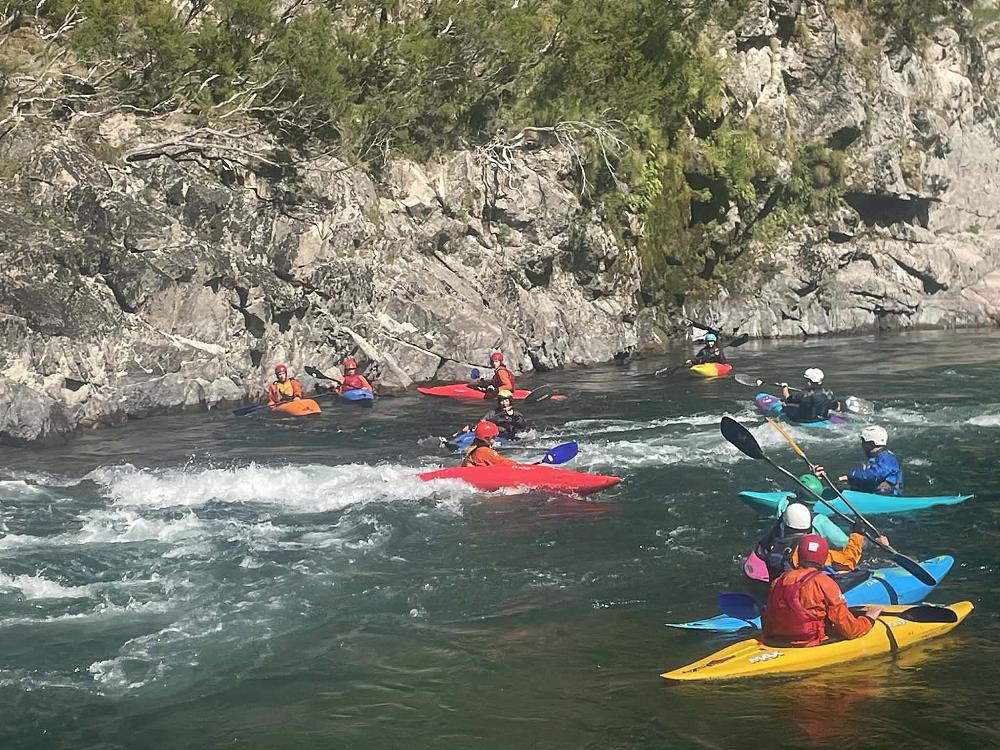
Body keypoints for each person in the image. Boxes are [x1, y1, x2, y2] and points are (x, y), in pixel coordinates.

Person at [761, 534, 883, 647]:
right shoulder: (824, 582)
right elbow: (850, 629)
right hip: (810, 640)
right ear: (824, 557)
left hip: (778, 641)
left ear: (799, 554)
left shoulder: (778, 581)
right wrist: (868, 619)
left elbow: (767, 619)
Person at [752, 476, 866, 581]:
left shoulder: (784, 506)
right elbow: (846, 555)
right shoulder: (818, 524)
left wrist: (813, 480)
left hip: (779, 575)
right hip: (804, 576)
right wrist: (858, 535)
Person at [814, 425, 903, 496]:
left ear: (871, 443)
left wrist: (850, 477)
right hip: (870, 492)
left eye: (864, 442)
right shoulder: (875, 458)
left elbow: (874, 474)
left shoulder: (887, 458)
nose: (862, 445)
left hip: (885, 495)